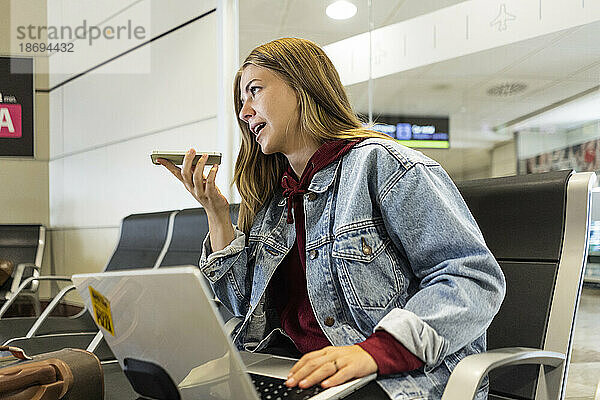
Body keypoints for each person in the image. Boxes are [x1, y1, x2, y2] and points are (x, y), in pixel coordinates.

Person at [159, 37, 505, 399]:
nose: (244, 113)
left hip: (397, 379)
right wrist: (216, 213)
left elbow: (472, 278)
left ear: (302, 85)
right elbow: (245, 312)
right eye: (241, 102)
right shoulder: (277, 201)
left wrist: (372, 353)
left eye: (254, 92)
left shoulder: (383, 165)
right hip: (302, 372)